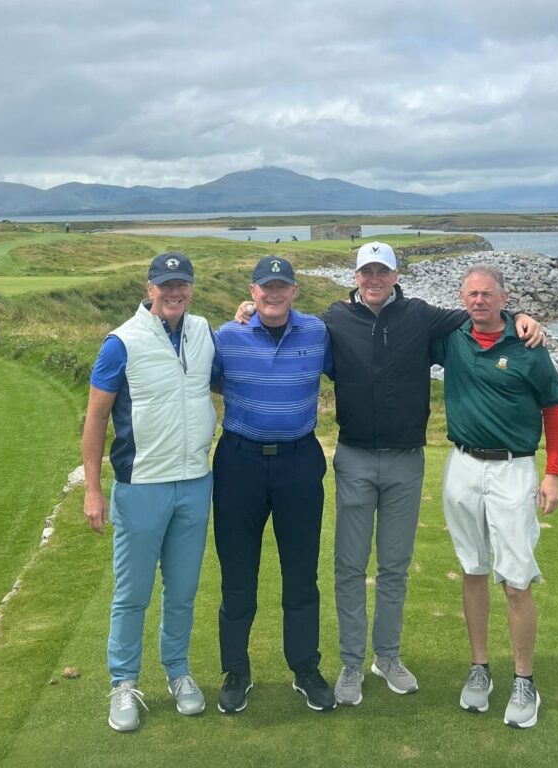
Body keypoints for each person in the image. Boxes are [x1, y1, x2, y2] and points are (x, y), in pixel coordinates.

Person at [235, 242, 544, 707]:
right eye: (367, 272)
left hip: (406, 459)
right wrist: (249, 313)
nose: (374, 279)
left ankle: (388, 657)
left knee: (394, 567)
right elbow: (287, 324)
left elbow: (479, 313)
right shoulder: (333, 319)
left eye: (382, 272)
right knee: (349, 567)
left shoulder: (420, 315)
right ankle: (351, 662)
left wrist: (520, 314)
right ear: (356, 277)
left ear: (395, 276)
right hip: (355, 457)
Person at [82, 251, 216, 733]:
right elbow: (96, 417)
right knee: (133, 593)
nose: (174, 292)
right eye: (166, 284)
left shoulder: (203, 331)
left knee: (181, 592)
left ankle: (178, 672)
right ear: (150, 287)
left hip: (195, 482)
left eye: (182, 283)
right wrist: (93, 490)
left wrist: (244, 314)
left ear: (191, 287)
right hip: (140, 486)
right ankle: (123, 684)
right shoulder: (121, 342)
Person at [431, 264, 558, 730]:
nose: (478, 301)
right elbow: (394, 326)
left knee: (515, 579)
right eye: (471, 294)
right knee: (472, 568)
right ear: (462, 298)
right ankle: (479, 668)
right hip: (463, 466)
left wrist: (553, 473)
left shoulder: (528, 345)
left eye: (486, 294)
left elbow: (553, 409)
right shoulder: (452, 338)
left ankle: (524, 680)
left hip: (514, 468)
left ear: (504, 298)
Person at [211, 256, 337, 714]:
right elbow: (205, 381)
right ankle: (236, 671)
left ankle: (305, 668)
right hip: (239, 464)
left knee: (302, 574)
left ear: (295, 291)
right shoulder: (228, 336)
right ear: (253, 290)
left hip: (299, 462)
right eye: (266, 287)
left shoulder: (318, 333)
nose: (274, 293)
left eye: (282, 286)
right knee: (238, 574)